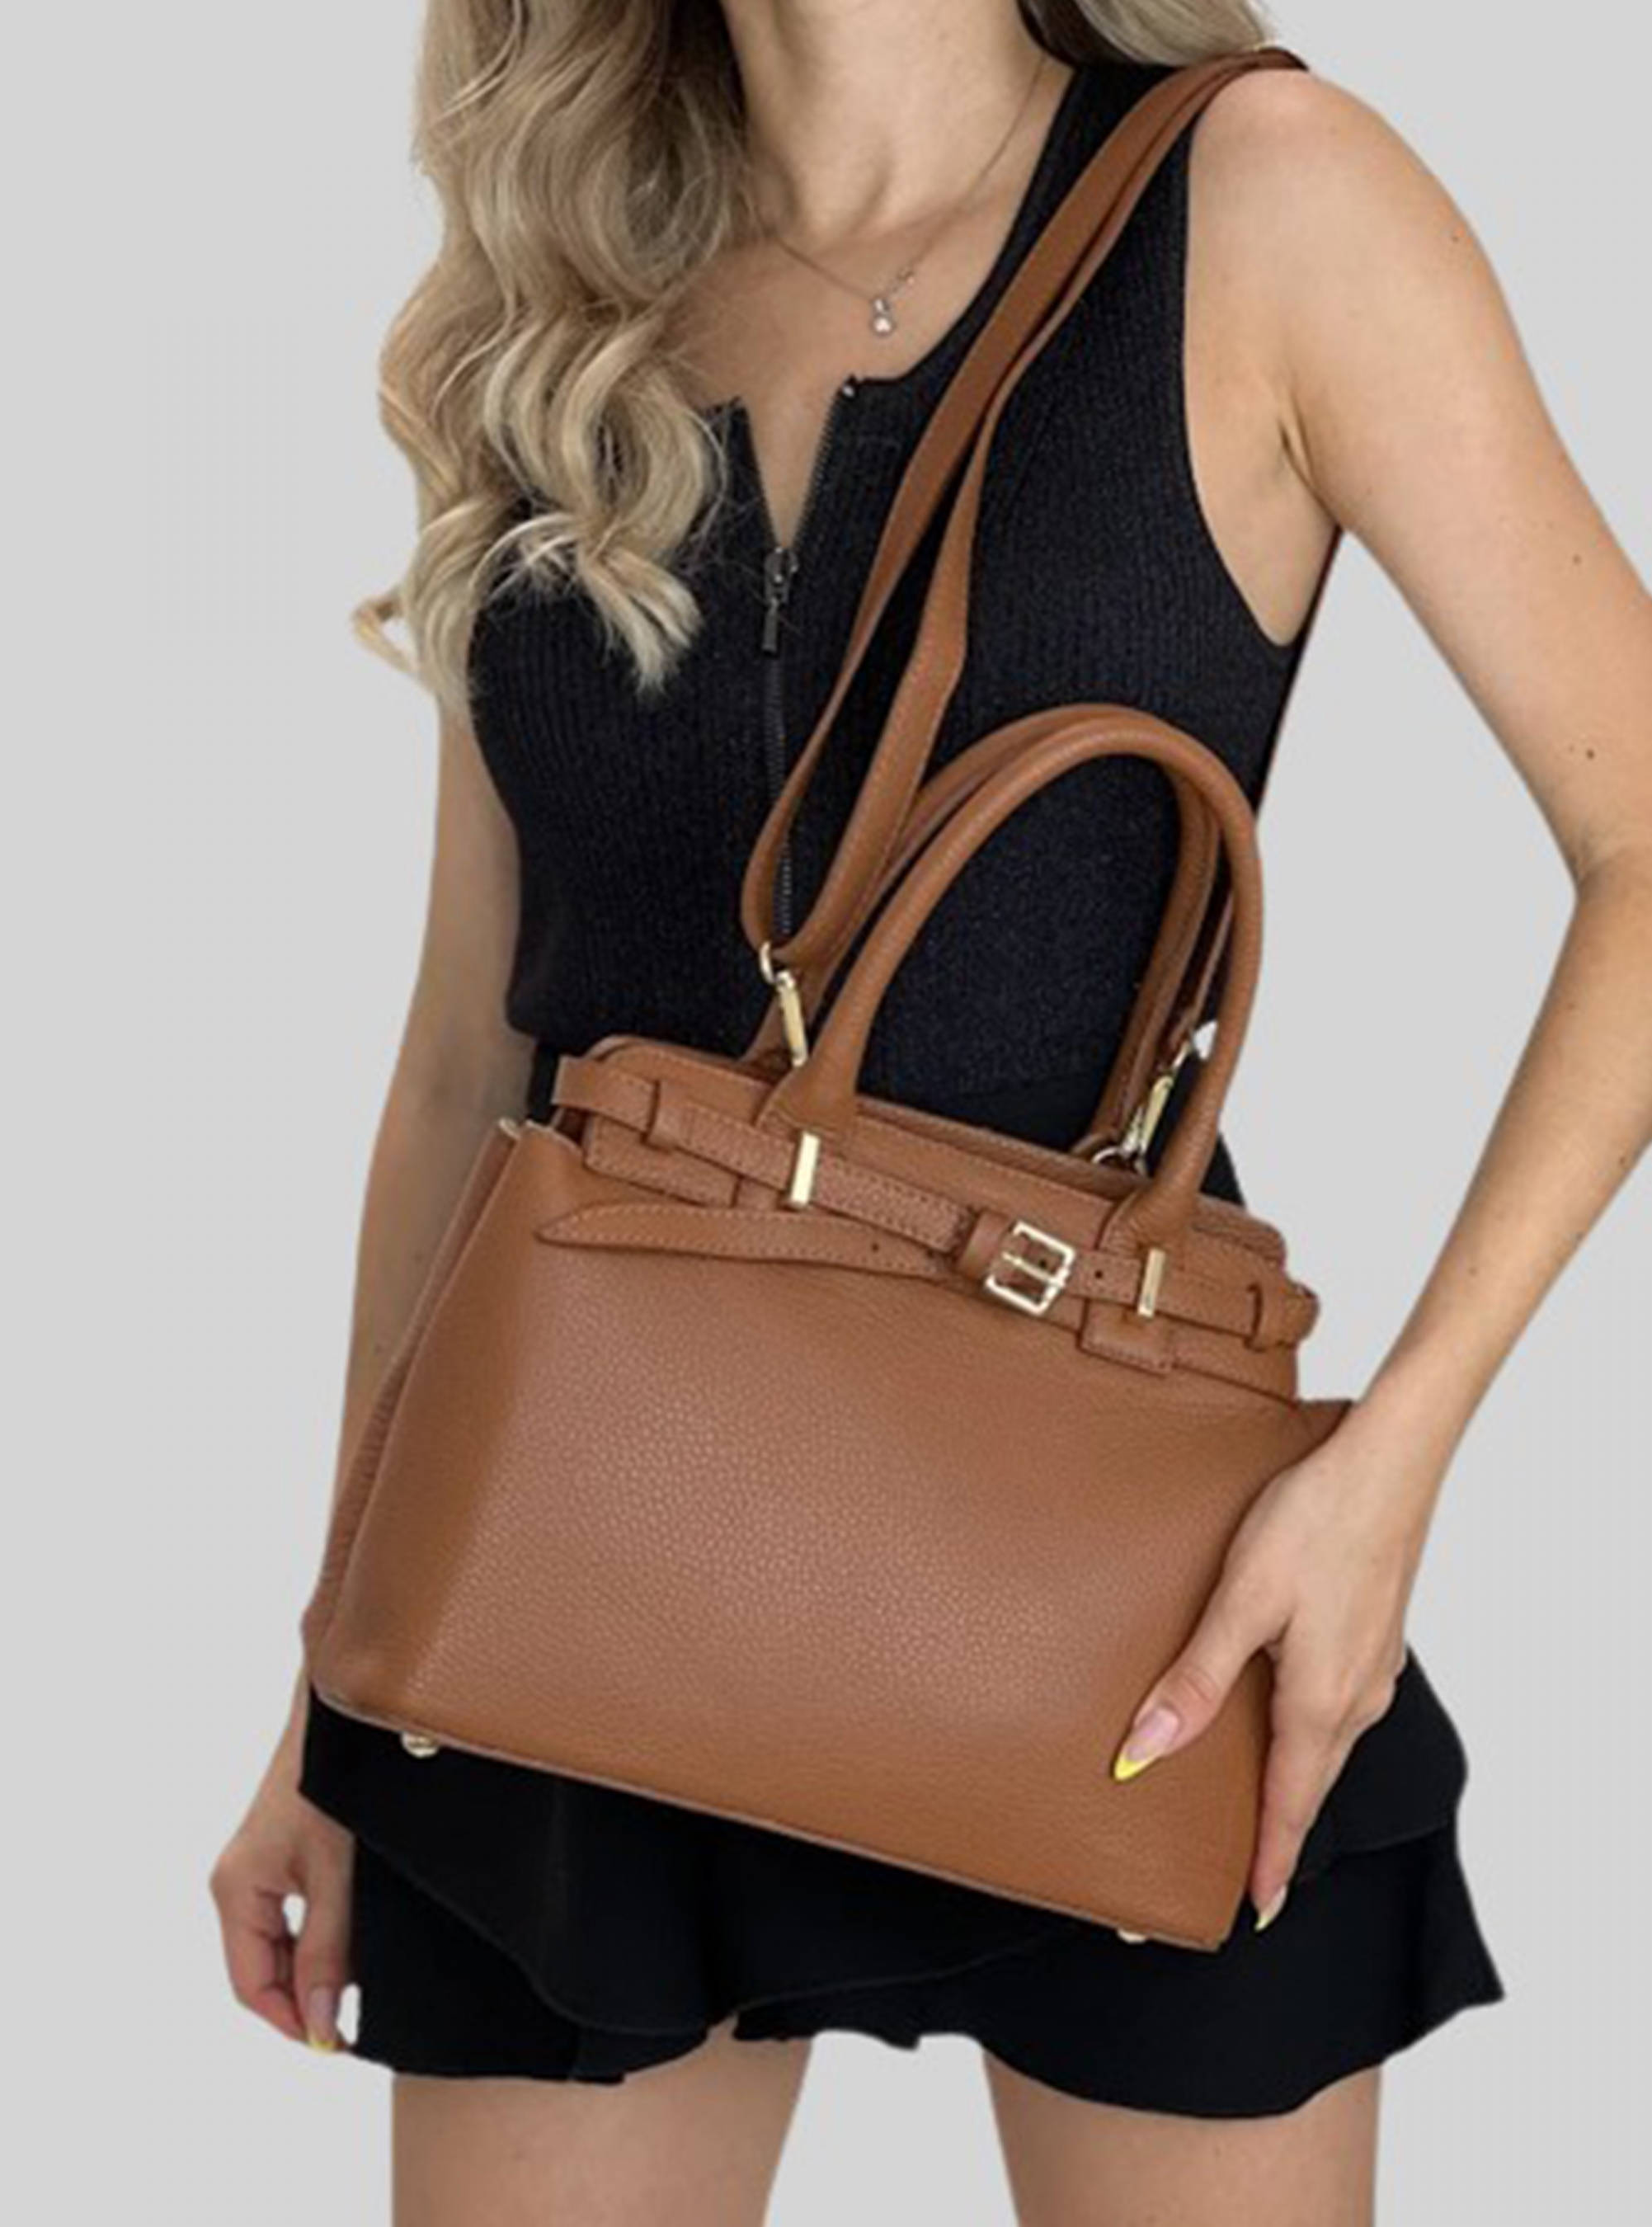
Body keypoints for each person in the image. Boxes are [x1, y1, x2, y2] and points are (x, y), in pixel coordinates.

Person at [209, 2, 1652, 2220]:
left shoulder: (1265, 203)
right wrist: (340, 1665)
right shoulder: (555, 300)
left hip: (1121, 1574)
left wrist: (1391, 1462)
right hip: (569, 1558)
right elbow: (467, 1061)